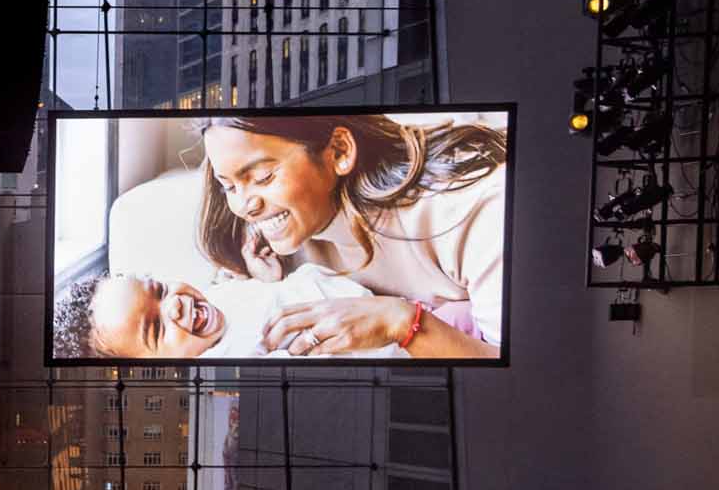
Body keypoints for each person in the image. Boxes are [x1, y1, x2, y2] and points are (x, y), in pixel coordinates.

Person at [191, 112, 508, 358]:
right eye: (229, 186)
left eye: (263, 176)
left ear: (339, 151)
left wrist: (402, 322)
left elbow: (527, 376)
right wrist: (267, 283)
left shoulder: (467, 207)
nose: (244, 206)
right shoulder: (270, 243)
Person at [54, 266, 398, 361]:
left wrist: (258, 277)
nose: (173, 304)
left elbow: (253, 301)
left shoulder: (213, 300)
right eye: (157, 329)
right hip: (395, 339)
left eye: (159, 289)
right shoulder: (231, 359)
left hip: (373, 291)